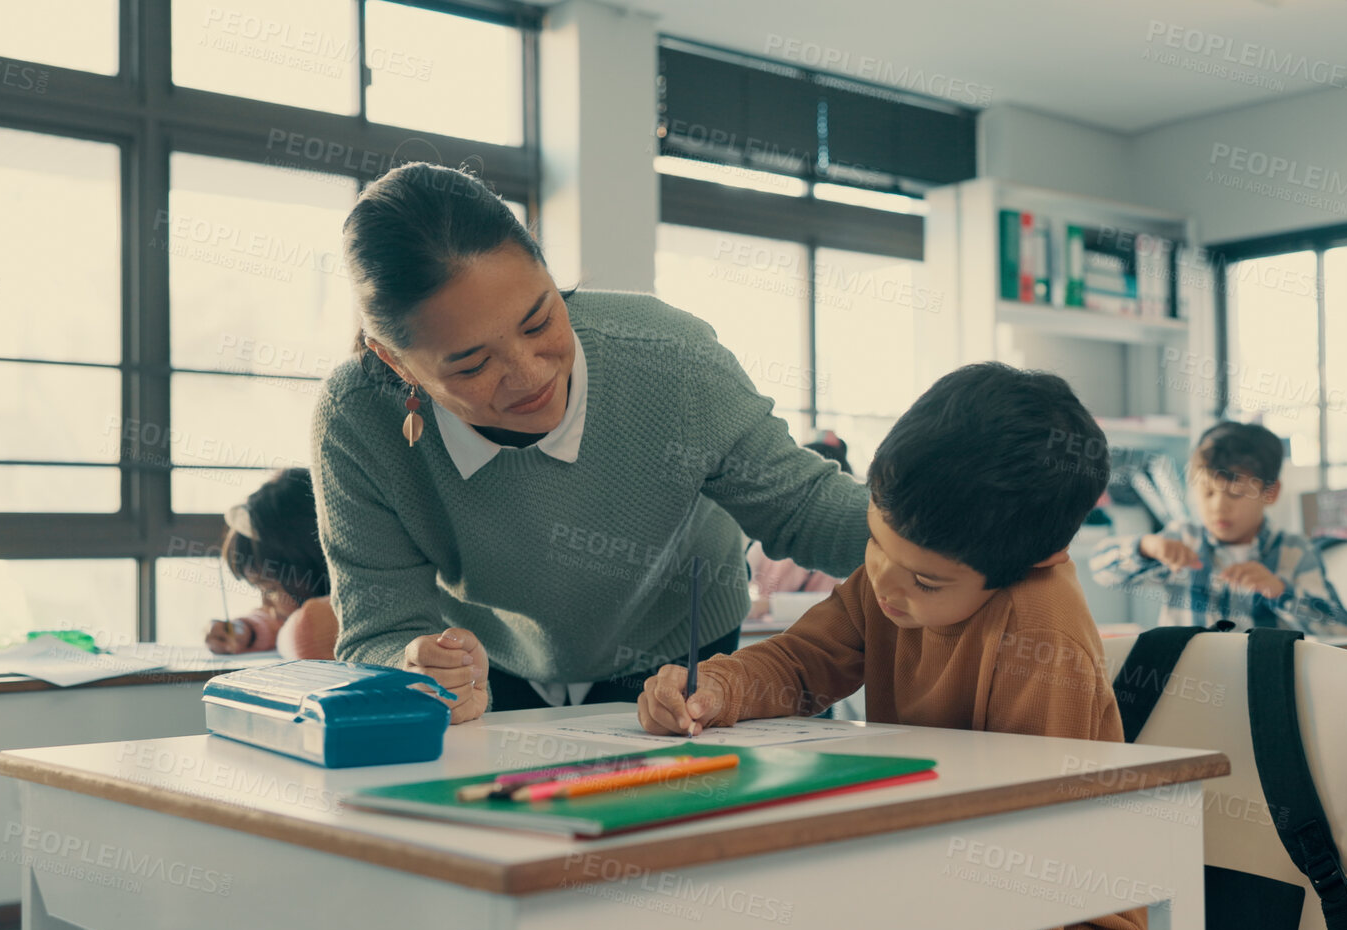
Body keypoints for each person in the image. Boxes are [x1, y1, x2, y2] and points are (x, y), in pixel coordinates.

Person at [637, 363, 1144, 930]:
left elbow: (1035, 840)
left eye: (927, 583)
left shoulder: (1039, 627)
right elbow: (800, 663)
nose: (886, 585)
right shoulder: (894, 579)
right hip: (928, 905)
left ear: (1033, 561)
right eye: (876, 543)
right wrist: (710, 689)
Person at [314, 162, 867, 721]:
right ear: (393, 359)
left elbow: (808, 509)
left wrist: (938, 523)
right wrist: (416, 667)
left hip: (682, 650)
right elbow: (377, 633)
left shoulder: (668, 354)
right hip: (490, 670)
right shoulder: (356, 419)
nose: (529, 375)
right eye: (473, 364)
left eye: (539, 322)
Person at [1088, 420, 1347, 635]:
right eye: (1207, 492)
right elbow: (1101, 570)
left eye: (1235, 494)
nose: (1218, 507)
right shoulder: (1182, 539)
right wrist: (1146, 547)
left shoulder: (1294, 551)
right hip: (1187, 687)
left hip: (1261, 689)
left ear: (1270, 493)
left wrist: (1280, 592)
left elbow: (1340, 628)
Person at [204, 468, 338, 661]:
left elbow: (303, 633)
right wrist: (249, 631)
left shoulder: (319, 625)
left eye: (270, 589)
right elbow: (283, 620)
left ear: (309, 563)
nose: (266, 604)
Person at [745, 434, 854, 620]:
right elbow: (742, 571)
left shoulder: (846, 546)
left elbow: (839, 604)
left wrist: (768, 605)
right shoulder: (774, 537)